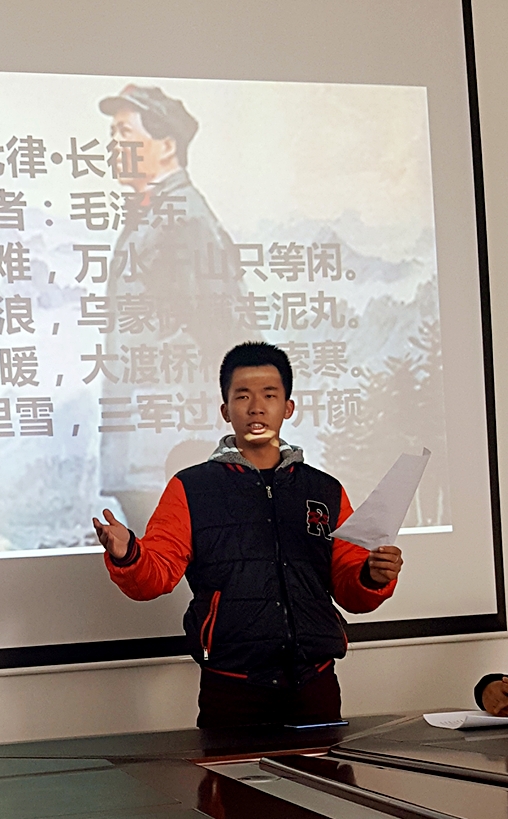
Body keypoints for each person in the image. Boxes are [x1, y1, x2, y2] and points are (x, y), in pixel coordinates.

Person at [93, 341, 403, 729]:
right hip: (232, 691)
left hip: (315, 685)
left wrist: (372, 576)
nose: (256, 407)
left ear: (288, 407)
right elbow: (156, 575)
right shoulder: (191, 488)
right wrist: (127, 554)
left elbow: (349, 586)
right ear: (226, 410)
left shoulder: (324, 490)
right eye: (243, 396)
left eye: (269, 395)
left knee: (323, 772)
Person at [97, 84, 248, 533]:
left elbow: (229, 334)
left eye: (125, 133)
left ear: (166, 145)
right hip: (147, 450)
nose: (113, 145)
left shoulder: (186, 220)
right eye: (112, 134)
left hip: (173, 450)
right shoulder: (152, 213)